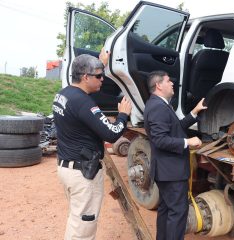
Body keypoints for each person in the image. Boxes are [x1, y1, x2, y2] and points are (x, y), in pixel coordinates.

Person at [52, 49, 132, 240]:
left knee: (77, 220)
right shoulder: (83, 102)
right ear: (86, 77)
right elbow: (111, 134)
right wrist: (123, 115)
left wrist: (101, 63)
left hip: (67, 168)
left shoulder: (64, 94)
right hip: (83, 175)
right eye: (99, 76)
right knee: (83, 228)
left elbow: (84, 105)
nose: (103, 79)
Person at [143, 70, 207, 240]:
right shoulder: (158, 107)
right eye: (168, 80)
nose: (172, 83)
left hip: (166, 170)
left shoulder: (158, 104)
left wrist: (194, 112)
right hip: (171, 172)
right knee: (178, 213)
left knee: (166, 210)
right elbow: (160, 139)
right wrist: (188, 142)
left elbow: (174, 128)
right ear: (158, 85)